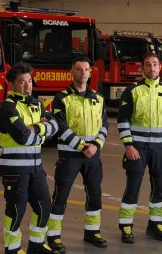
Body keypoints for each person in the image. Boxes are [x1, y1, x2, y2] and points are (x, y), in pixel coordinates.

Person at [47, 57, 109, 252]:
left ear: (90, 73)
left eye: (86, 70)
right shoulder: (61, 98)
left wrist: (96, 146)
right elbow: (60, 127)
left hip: (92, 156)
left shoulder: (98, 98)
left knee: (95, 194)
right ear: (71, 73)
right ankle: (53, 236)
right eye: (79, 70)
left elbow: (104, 125)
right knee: (61, 196)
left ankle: (92, 232)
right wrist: (83, 146)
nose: (83, 73)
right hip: (70, 156)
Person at [0, 62, 59, 254]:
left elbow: (56, 126)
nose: (27, 85)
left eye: (29, 81)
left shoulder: (37, 104)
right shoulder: (7, 108)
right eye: (22, 82)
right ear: (11, 84)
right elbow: (23, 137)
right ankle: (12, 249)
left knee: (44, 206)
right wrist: (42, 129)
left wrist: (36, 128)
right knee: (16, 210)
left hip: (36, 168)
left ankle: (37, 245)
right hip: (15, 170)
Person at [117, 53, 162, 243]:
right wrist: (128, 145)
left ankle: (155, 225)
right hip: (138, 149)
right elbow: (123, 120)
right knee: (132, 187)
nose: (152, 68)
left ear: (160, 68)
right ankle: (126, 226)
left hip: (160, 149)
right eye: (148, 65)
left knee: (159, 188)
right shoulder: (132, 90)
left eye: (155, 65)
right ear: (142, 68)